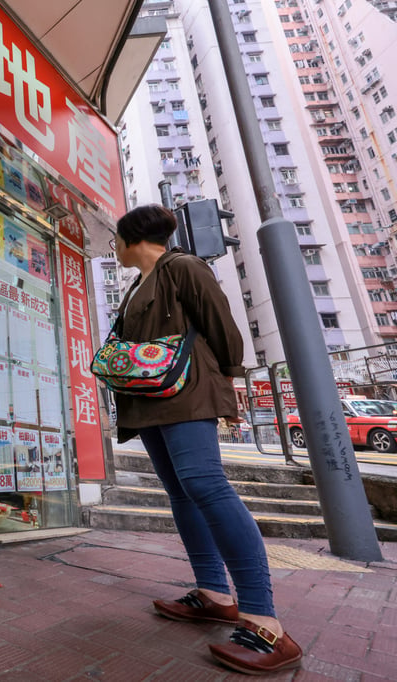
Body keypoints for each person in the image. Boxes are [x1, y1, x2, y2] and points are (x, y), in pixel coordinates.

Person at [109, 205, 302, 675]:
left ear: (134, 238)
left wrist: (222, 383)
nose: (113, 248)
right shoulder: (137, 285)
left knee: (205, 484)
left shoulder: (186, 267)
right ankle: (214, 593)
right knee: (181, 493)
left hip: (188, 393)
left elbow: (222, 330)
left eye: (117, 239)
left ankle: (263, 620)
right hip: (150, 398)